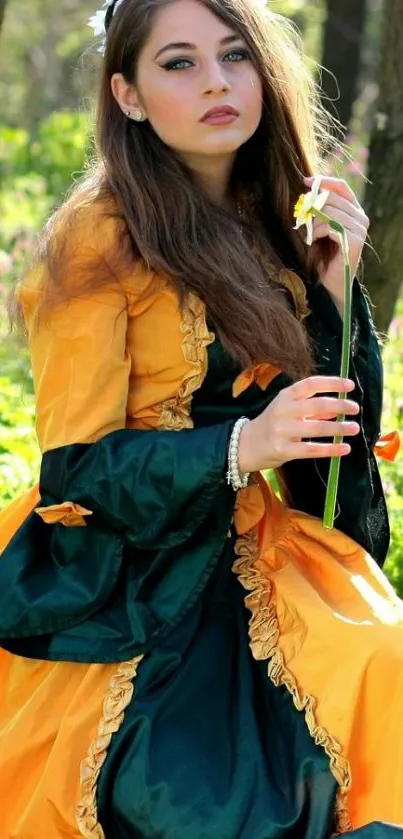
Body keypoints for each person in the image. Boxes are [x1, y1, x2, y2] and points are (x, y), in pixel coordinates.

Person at [0, 0, 402, 836]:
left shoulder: (280, 216)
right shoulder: (97, 235)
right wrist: (240, 443)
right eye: (178, 63)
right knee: (201, 792)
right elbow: (73, 471)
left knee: (380, 674)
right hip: (130, 569)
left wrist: (334, 290)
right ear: (129, 95)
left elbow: (338, 432)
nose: (216, 82)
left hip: (267, 548)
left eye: (234, 55)